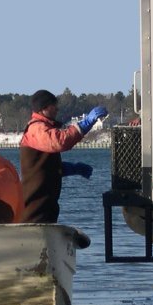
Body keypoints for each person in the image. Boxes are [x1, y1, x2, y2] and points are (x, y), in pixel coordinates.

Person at [19, 90, 107, 223]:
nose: (57, 109)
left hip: (44, 207)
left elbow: (43, 167)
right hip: (34, 210)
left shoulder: (42, 129)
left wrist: (72, 169)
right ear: (44, 107)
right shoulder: (36, 128)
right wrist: (86, 123)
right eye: (54, 105)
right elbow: (59, 142)